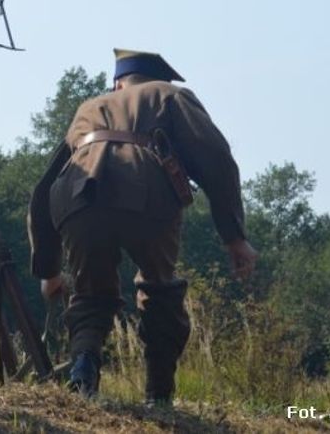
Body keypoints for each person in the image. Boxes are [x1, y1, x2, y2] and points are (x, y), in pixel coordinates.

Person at [28, 48, 258, 403]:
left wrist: (49, 269)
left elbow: (45, 187)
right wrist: (234, 237)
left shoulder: (89, 108)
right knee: (159, 288)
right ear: (157, 79)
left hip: (79, 195)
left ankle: (83, 369)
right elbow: (215, 159)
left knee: (90, 294)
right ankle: (158, 397)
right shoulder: (170, 95)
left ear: (119, 83)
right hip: (146, 192)